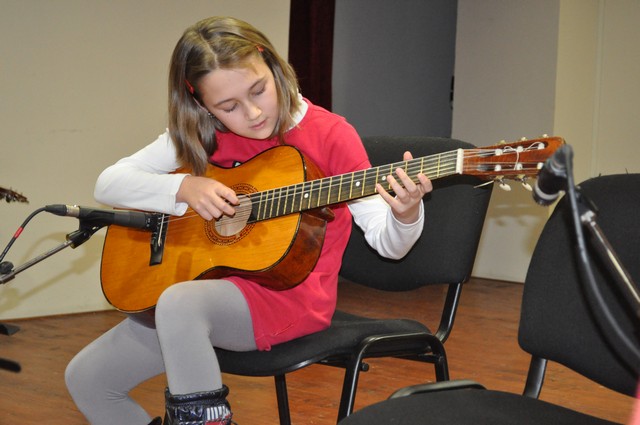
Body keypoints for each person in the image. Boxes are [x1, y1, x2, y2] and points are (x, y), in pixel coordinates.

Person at [64, 16, 432, 425]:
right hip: (199, 294)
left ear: (272, 65)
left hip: (288, 297)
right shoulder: (202, 133)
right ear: (201, 104)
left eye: (259, 90)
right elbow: (109, 183)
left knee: (179, 304)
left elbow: (388, 244)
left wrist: (405, 214)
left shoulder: (330, 135)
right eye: (229, 106)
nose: (254, 112)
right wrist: (184, 187)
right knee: (88, 379)